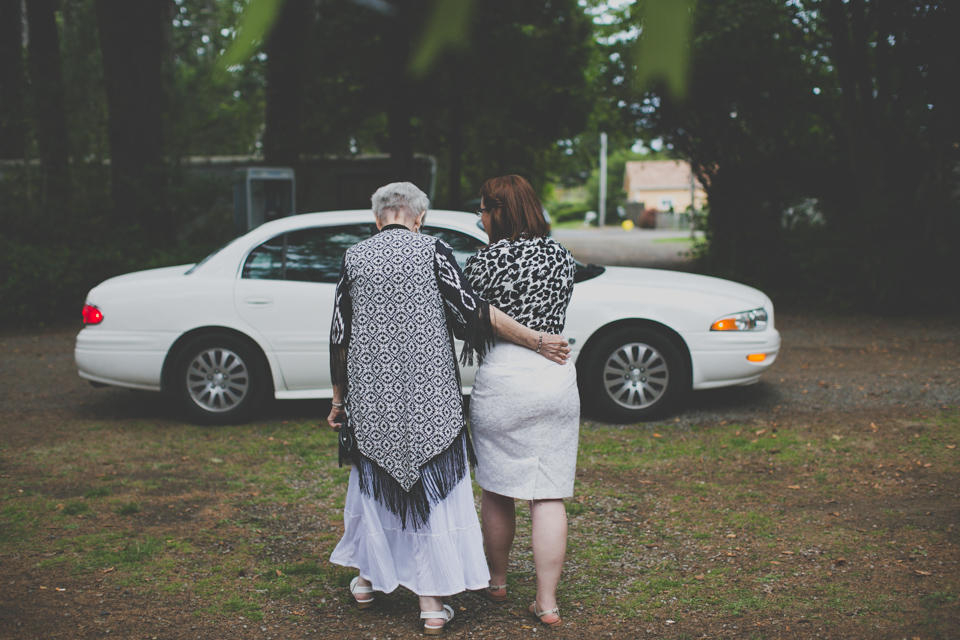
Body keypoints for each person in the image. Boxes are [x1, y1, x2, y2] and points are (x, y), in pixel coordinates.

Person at [325, 182, 569, 635]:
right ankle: (431, 605)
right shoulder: (434, 250)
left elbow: (340, 334)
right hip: (431, 398)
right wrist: (534, 339)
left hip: (372, 398)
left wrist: (339, 400)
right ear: (419, 218)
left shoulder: (354, 256)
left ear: (377, 219)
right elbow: (469, 313)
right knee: (432, 497)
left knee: (374, 488)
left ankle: (366, 582)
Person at [463, 175, 580, 628]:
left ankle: (497, 581)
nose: (480, 218)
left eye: (483, 210)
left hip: (504, 379)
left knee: (496, 486)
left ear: (499, 211)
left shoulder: (484, 262)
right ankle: (547, 603)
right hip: (554, 376)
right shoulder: (562, 257)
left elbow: (470, 321)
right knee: (547, 494)